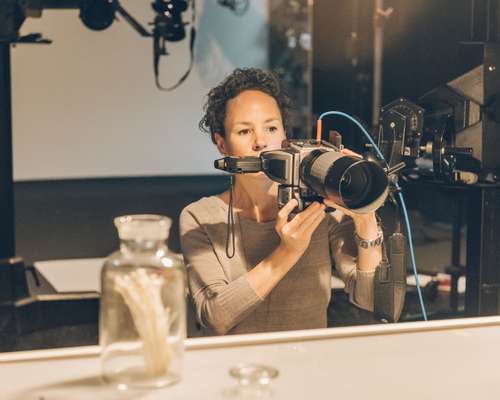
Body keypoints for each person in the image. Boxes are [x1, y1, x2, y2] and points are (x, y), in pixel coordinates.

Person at [180, 68, 384, 335]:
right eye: (244, 131)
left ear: (285, 135)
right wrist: (288, 252)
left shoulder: (319, 205)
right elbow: (215, 316)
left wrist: (365, 218)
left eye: (271, 128)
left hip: (307, 364)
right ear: (221, 144)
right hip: (237, 369)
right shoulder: (200, 217)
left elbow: (369, 299)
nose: (261, 142)